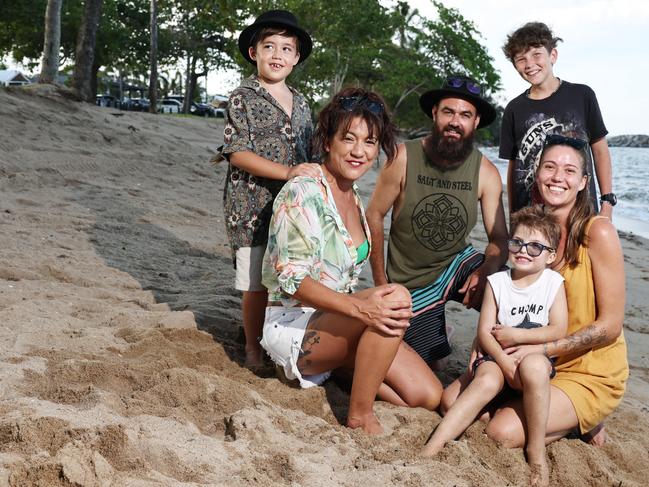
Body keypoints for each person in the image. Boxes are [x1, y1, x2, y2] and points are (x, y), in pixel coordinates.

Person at [443, 134, 628, 487]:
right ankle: (538, 403)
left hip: (585, 369)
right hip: (530, 359)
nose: (559, 176)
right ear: (537, 174)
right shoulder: (530, 230)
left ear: (583, 183)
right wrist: (482, 346)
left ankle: (578, 420)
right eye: (550, 167)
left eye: (570, 170)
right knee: (450, 402)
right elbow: (508, 298)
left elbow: (611, 326)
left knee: (500, 432)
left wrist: (540, 349)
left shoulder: (597, 232)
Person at [260, 88, 442, 435]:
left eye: (370, 142)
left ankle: (346, 365)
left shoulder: (352, 194)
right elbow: (292, 280)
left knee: (426, 396)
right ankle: (359, 416)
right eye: (349, 139)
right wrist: (362, 311)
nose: (359, 151)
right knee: (394, 298)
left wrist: (361, 311)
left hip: (338, 318)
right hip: (294, 324)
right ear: (328, 141)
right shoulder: (303, 191)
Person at [366, 75, 509, 370]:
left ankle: (491, 368)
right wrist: (382, 284)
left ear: (476, 121)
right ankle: (437, 334)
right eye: (449, 112)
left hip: (457, 264)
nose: (456, 121)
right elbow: (374, 215)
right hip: (409, 281)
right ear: (435, 114)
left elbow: (498, 240)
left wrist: (486, 270)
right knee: (434, 366)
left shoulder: (486, 172)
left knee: (509, 293)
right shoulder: (403, 158)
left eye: (465, 115)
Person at [422, 205, 568, 487]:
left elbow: (558, 329)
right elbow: (485, 332)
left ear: (551, 256)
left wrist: (518, 336)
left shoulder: (553, 283)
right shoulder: (498, 282)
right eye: (518, 243)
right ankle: (434, 444)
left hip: (529, 355)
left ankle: (536, 452)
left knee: (536, 367)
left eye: (536, 247)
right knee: (480, 383)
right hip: (497, 357)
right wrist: (504, 362)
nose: (524, 251)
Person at [221, 10, 321, 366]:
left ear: (296, 58)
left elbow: (311, 154)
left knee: (284, 275)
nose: (277, 55)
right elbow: (236, 153)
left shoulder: (304, 104)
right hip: (250, 205)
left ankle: (269, 336)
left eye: (286, 49)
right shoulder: (242, 97)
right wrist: (287, 171)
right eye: (269, 47)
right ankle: (251, 347)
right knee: (254, 281)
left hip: (291, 208)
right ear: (254, 53)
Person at [500, 21, 615, 219]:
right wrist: (514, 214)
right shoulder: (514, 109)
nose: (529, 64)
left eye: (536, 54)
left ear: (553, 55)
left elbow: (600, 150)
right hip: (532, 217)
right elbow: (514, 168)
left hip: (580, 212)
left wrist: (607, 203)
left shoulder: (582, 95)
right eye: (520, 59)